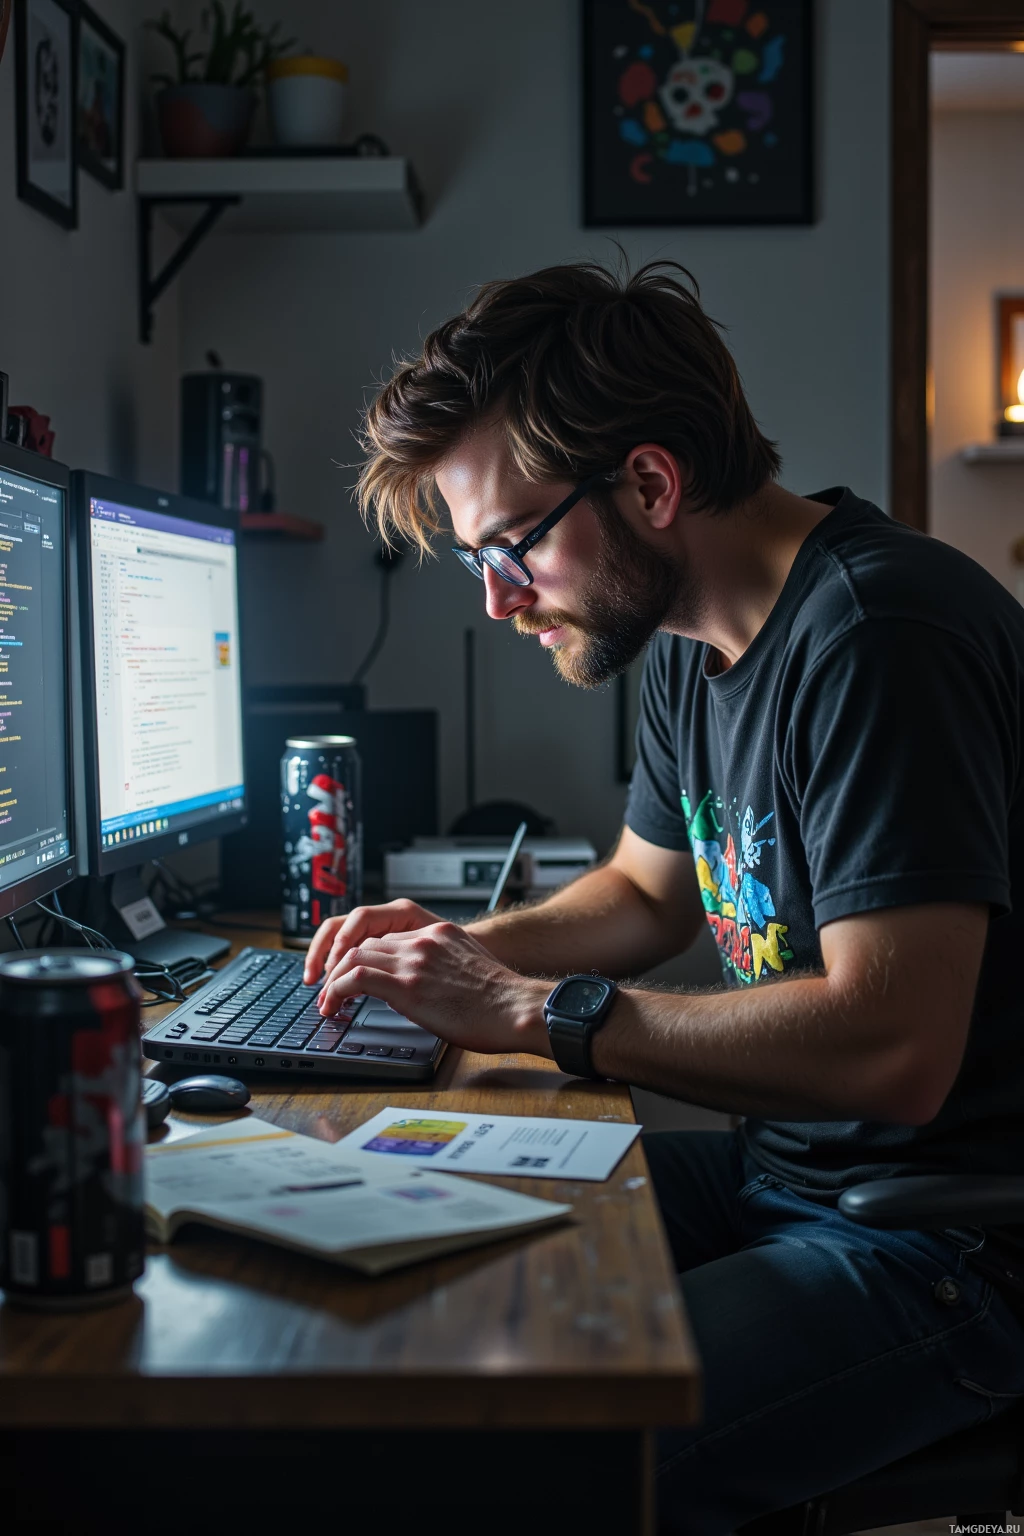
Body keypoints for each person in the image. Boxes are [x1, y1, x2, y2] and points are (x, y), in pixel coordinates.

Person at [304, 259, 1024, 1533]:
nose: (498, 598)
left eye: (512, 545)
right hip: (794, 1180)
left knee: (538, 1456)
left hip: (949, 1247)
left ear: (648, 482)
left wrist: (538, 1011)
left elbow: (896, 1048)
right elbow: (646, 892)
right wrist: (447, 954)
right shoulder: (695, 635)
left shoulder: (876, 635)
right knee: (403, 1275)